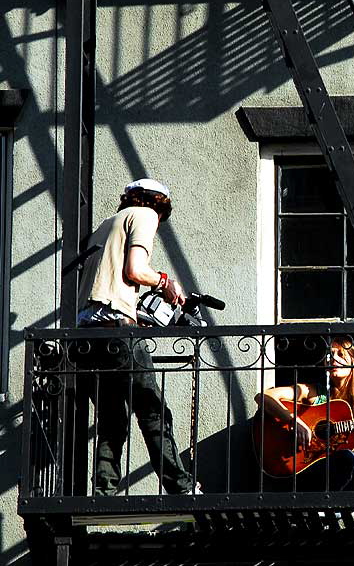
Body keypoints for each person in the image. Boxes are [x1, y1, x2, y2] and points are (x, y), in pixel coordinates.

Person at [76, 178, 199, 496]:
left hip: (86, 334)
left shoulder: (107, 224)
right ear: (159, 203)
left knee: (112, 417)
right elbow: (135, 270)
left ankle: (103, 490)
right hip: (115, 327)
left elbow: (106, 283)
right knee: (153, 410)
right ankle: (181, 487)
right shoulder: (144, 215)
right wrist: (166, 283)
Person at [256, 337, 354, 490]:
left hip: (352, 480)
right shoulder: (313, 393)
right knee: (346, 457)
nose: (333, 358)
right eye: (329, 354)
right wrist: (294, 420)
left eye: (341, 354)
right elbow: (263, 396)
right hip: (316, 473)